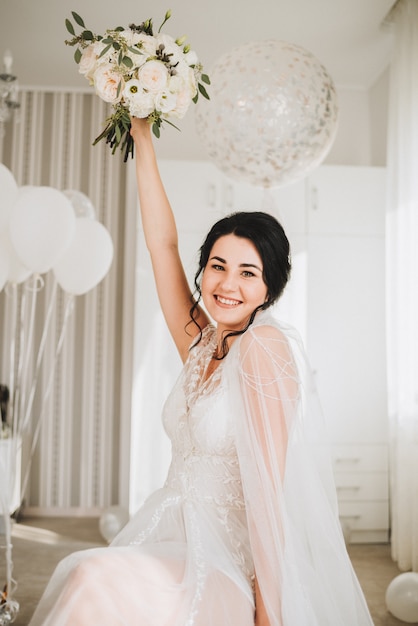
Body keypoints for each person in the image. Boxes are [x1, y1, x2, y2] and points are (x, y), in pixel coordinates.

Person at [29, 117, 374, 626]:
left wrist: (269, 609)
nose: (227, 283)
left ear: (270, 288)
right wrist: (143, 137)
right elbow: (161, 245)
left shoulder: (264, 348)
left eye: (248, 272)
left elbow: (268, 492)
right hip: (172, 532)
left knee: (89, 576)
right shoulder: (201, 340)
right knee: (86, 575)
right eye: (217, 265)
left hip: (224, 559)